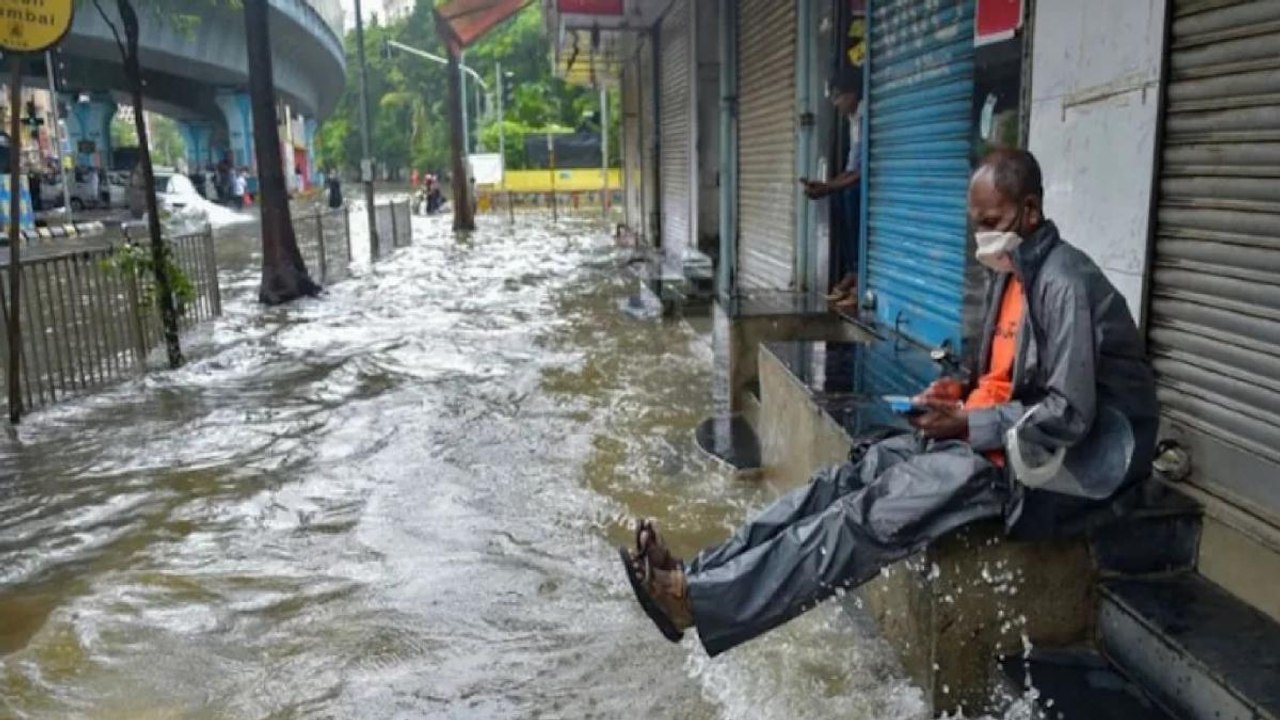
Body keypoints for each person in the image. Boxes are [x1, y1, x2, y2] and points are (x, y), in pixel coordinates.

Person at [619, 149, 1159, 657]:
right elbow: (1001, 374)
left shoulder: (1064, 282)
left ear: (1031, 210)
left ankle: (695, 605)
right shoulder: (1011, 271)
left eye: (991, 221)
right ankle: (698, 573)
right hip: (992, 435)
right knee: (841, 480)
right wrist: (958, 393)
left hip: (1048, 467)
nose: (981, 237)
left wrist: (972, 425)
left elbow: (1069, 413)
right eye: (976, 223)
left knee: (863, 518)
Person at [802, 70, 864, 311]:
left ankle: (860, 279)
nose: (836, 104)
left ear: (853, 94)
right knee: (842, 199)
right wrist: (828, 187)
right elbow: (852, 167)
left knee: (851, 197)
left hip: (866, 189)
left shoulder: (866, 115)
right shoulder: (853, 119)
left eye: (839, 97)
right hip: (855, 183)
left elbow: (865, 169)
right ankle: (852, 271)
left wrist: (829, 187)